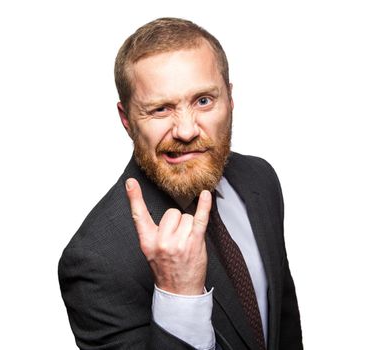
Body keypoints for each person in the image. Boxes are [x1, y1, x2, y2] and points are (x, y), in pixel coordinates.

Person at [58, 17, 303, 350]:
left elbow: (284, 327)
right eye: (160, 109)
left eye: (203, 101)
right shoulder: (95, 261)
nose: (186, 131)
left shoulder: (260, 180)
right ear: (127, 120)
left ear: (229, 100)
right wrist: (178, 296)